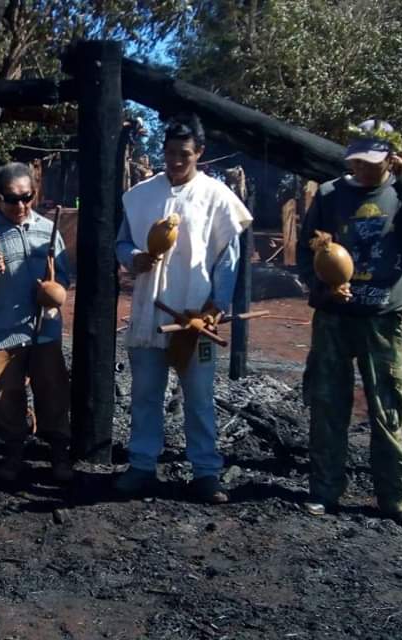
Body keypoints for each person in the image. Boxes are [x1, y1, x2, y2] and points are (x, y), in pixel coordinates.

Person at [297, 119, 402, 533]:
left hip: (383, 320)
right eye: (358, 160)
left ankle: (394, 499)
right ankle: (324, 490)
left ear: (391, 156)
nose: (364, 168)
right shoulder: (331, 195)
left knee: (388, 411)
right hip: (334, 320)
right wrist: (322, 287)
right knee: (328, 405)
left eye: (373, 160)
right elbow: (305, 252)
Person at [114, 115, 253, 502]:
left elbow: (228, 256)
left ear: (200, 154)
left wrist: (216, 305)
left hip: (195, 315)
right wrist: (134, 258)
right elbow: (122, 243)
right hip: (149, 310)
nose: (176, 160)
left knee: (199, 395)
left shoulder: (217, 197)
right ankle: (142, 464)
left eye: (185, 154)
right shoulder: (141, 194)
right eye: (171, 152)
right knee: (144, 394)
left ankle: (206, 471)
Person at [0, 162, 73, 484]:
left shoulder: (46, 229)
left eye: (27, 197)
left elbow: (64, 277)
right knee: (7, 395)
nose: (21, 205)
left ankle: (58, 451)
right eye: (12, 199)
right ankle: (13, 451)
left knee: (53, 389)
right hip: (4, 330)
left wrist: (53, 290)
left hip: (44, 331)